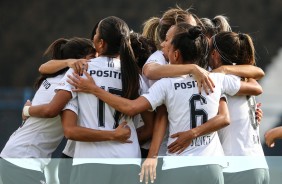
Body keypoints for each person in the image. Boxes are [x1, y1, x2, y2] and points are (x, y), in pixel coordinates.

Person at [66, 25, 262, 184]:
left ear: (176, 55)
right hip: (213, 167)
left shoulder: (166, 85)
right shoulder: (215, 79)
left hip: (178, 166)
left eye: (168, 48)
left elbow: (132, 108)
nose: (164, 50)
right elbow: (253, 86)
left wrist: (94, 90)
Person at [22, 16, 142, 184]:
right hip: (129, 159)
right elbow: (149, 123)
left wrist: (28, 110)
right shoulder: (135, 75)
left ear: (100, 43)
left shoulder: (81, 70)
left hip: (91, 160)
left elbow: (68, 128)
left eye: (96, 34)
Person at [0, 37, 97, 184]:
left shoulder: (54, 77)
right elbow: (50, 111)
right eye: (92, 58)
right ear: (79, 59)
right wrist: (27, 110)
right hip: (23, 159)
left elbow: (43, 67)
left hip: (16, 155)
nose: (95, 62)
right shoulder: (71, 80)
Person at [208, 31, 269, 184]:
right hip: (259, 164)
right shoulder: (247, 79)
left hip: (238, 167)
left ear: (215, 54)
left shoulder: (222, 80)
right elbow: (257, 80)